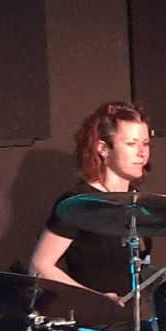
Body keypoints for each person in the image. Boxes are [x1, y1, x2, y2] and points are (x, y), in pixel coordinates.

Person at [28, 101, 152, 301]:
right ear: (103, 148)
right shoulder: (80, 203)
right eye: (131, 144)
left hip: (131, 315)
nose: (142, 153)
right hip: (92, 316)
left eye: (145, 143)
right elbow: (39, 266)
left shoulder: (136, 199)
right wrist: (97, 300)